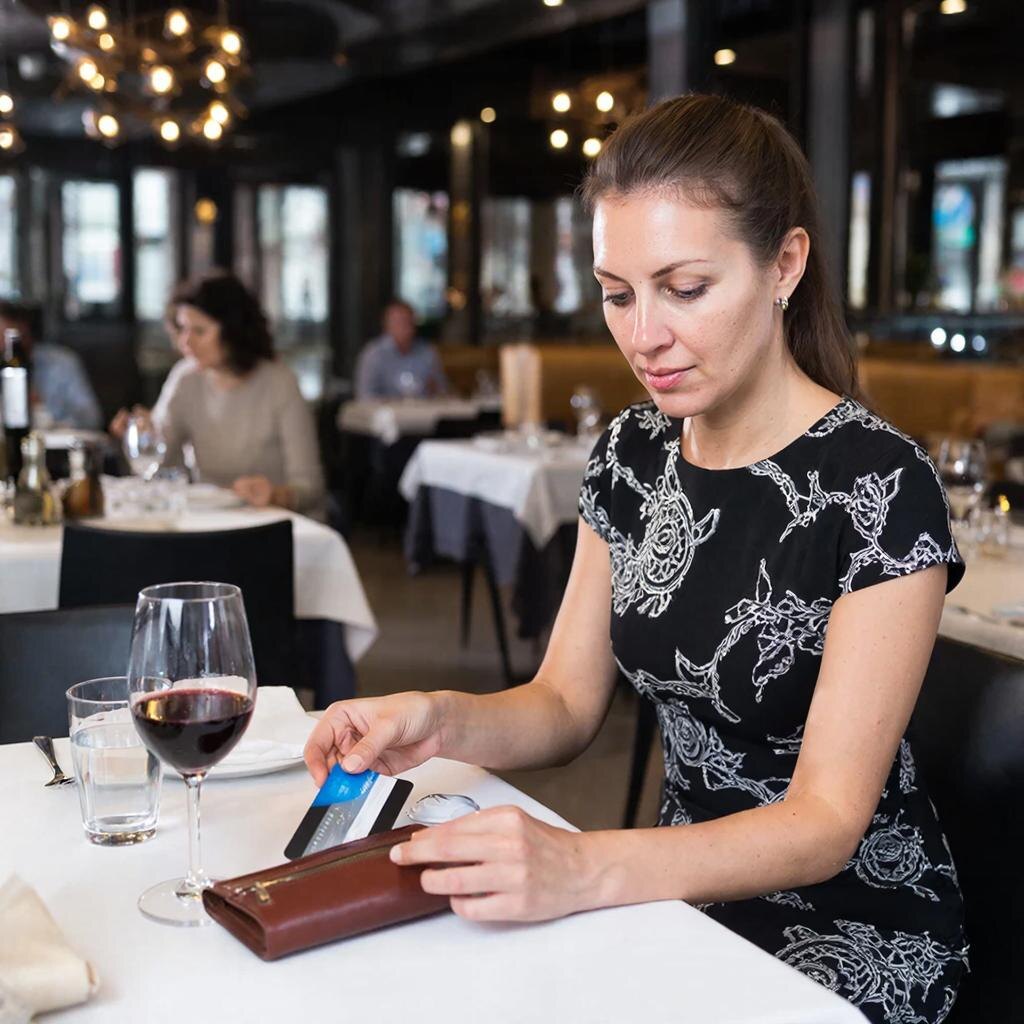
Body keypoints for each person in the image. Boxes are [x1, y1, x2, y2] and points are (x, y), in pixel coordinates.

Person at [304, 95, 967, 1023]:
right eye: (618, 294)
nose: (643, 335)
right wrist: (434, 718)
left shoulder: (882, 486)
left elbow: (824, 822)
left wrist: (581, 865)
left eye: (684, 289)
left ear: (785, 265)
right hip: (669, 897)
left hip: (853, 932)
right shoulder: (632, 454)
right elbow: (565, 704)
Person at [114, 272, 325, 515]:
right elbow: (161, 466)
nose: (185, 342)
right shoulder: (185, 377)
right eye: (182, 329)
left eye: (200, 331)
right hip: (211, 521)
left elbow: (311, 487)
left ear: (234, 332)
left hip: (275, 523)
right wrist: (140, 438)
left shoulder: (279, 383)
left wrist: (276, 495)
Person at [0, 301, 102, 429]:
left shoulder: (62, 362)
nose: (5, 345)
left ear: (26, 330)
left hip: (57, 439)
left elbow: (92, 418)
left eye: (11, 337)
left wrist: (51, 421)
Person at [354, 299, 448, 399]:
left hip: (421, 408)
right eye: (398, 322)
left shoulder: (427, 352)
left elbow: (442, 391)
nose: (404, 327)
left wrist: (435, 390)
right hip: (385, 409)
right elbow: (364, 395)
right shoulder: (373, 354)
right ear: (386, 326)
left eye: (408, 322)